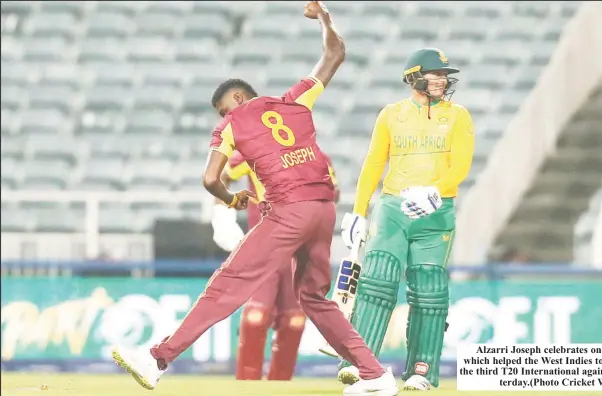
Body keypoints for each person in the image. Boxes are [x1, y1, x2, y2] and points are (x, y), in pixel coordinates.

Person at [111, 3, 398, 395]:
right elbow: (335, 54)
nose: (221, 116)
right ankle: (375, 374)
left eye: (221, 108)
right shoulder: (294, 100)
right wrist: (325, 17)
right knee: (314, 297)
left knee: (228, 283)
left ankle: (158, 358)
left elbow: (210, 178)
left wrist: (230, 200)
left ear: (235, 98)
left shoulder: (230, 125)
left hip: (287, 213)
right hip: (324, 211)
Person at [338, 48, 475, 391]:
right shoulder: (391, 114)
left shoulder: (459, 116)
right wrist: (358, 211)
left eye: (445, 75)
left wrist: (436, 190)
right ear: (414, 77)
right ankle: (361, 364)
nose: (443, 80)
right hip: (393, 208)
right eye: (435, 74)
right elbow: (373, 163)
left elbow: (461, 165)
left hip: (436, 212)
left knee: (430, 292)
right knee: (376, 283)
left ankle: (422, 371)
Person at [218, 151, 340, 381]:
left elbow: (334, 192)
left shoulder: (317, 157)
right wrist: (222, 214)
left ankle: (280, 384)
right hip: (265, 245)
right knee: (257, 315)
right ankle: (247, 382)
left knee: (294, 320)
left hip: (300, 251)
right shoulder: (256, 151)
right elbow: (223, 175)